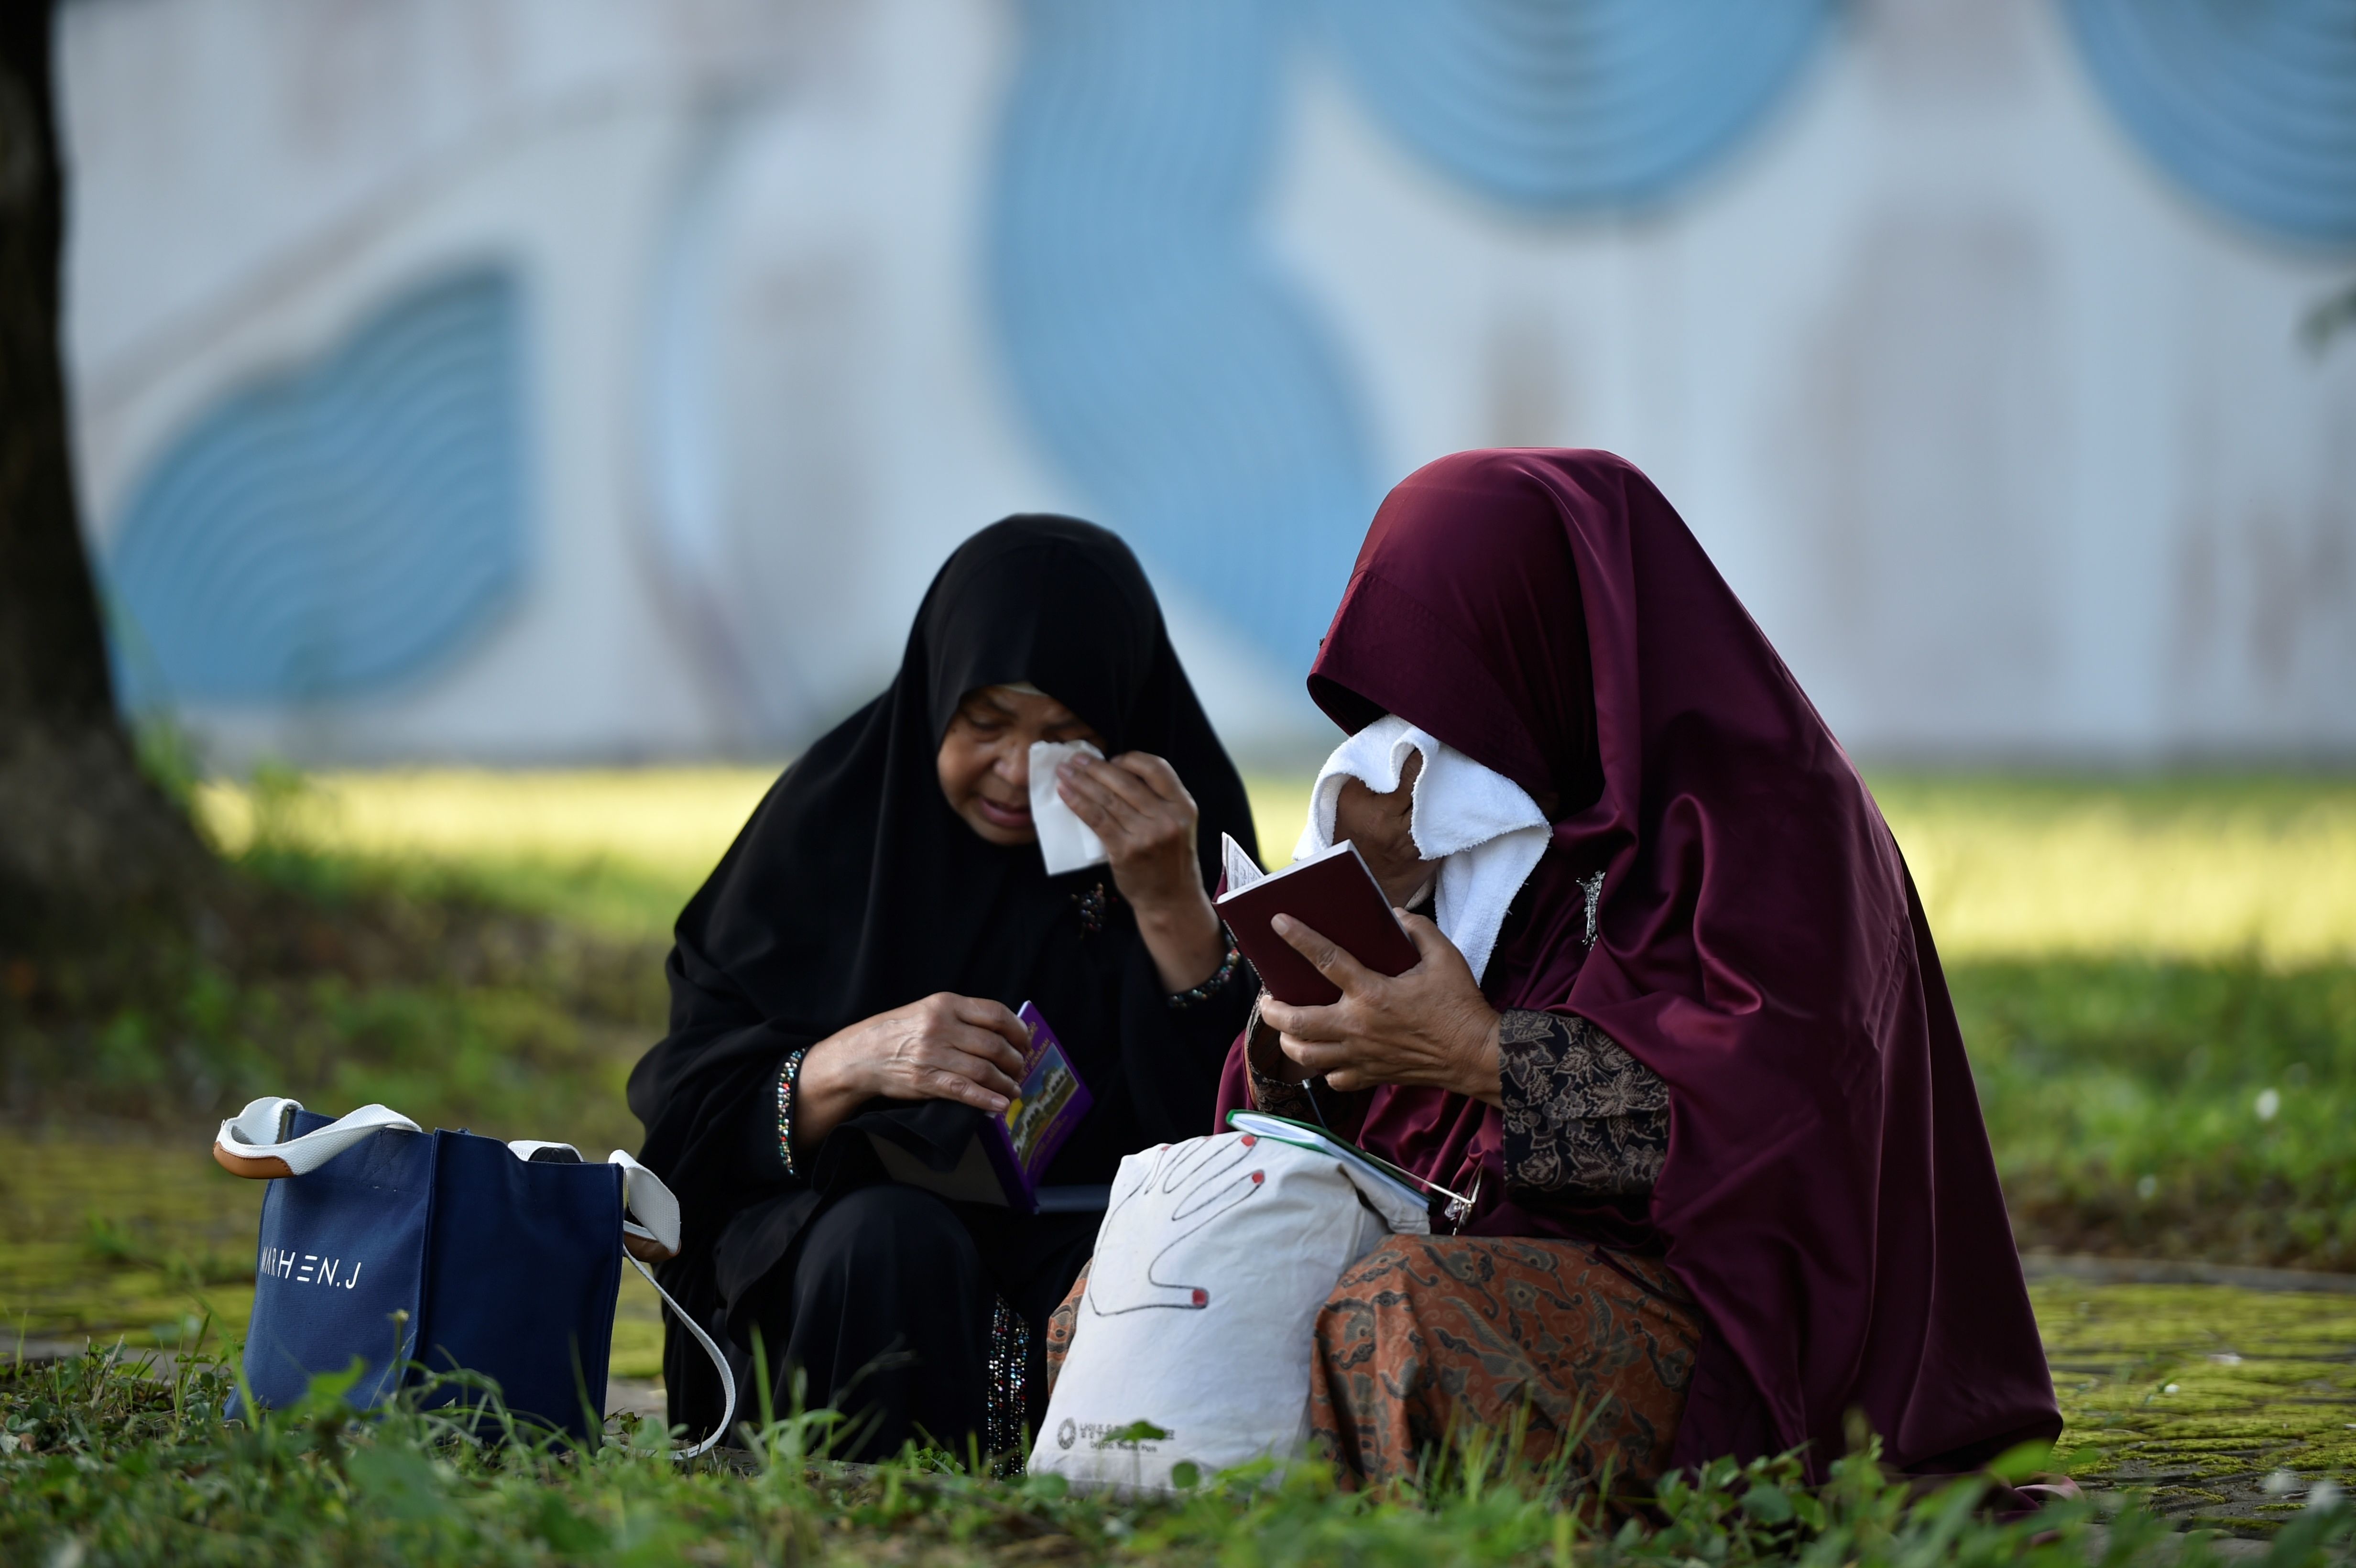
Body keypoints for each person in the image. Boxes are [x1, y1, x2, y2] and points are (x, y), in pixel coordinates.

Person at [1211, 449, 2059, 1493]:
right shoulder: (1460, 834)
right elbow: (1336, 1146)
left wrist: (1483, 1052)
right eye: (1390, 709)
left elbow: (1774, 1138)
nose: (1413, 751)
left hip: (1740, 1327)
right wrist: (1313, 989)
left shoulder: (1767, 821)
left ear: (1556, 651)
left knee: (1399, 1313)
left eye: (1448, 695)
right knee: (1180, 1292)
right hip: (1464, 1250)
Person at [628, 514, 1257, 1459]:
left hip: (1096, 1235)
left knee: (1148, 1275)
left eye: (1066, 736)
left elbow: (1246, 1131)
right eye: (985, 721)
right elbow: (684, 1116)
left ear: (1125, 726)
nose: (1013, 771)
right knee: (886, 1240)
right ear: (935, 695)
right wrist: (844, 1065)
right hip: (851, 1243)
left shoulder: (1176, 838)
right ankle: (864, 1499)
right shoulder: (833, 829)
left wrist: (1171, 906)